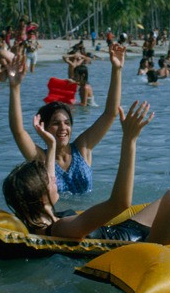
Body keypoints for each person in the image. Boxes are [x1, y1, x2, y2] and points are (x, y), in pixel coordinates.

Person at [3, 102, 170, 244]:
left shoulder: (45, 218)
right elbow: (120, 203)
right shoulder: (61, 228)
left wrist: (50, 146)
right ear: (41, 198)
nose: (54, 180)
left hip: (126, 230)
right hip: (146, 243)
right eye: (50, 181)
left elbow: (46, 184)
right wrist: (129, 141)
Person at [7, 43, 125, 195]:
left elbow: (110, 113)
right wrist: (15, 87)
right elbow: (18, 131)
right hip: (60, 217)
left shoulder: (83, 147)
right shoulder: (41, 159)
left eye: (67, 123)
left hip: (88, 215)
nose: (63, 128)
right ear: (44, 128)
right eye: (56, 123)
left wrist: (117, 69)